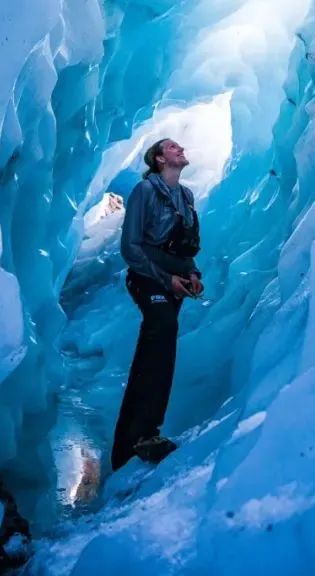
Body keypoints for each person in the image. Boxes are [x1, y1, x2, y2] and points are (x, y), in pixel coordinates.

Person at [111, 138, 204, 470]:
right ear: (159, 159)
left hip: (173, 279)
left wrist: (191, 274)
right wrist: (168, 280)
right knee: (161, 329)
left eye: (181, 146)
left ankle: (133, 442)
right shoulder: (144, 192)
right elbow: (131, 248)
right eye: (173, 147)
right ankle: (142, 435)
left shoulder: (186, 196)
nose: (181, 149)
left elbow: (186, 249)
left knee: (159, 348)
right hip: (147, 277)